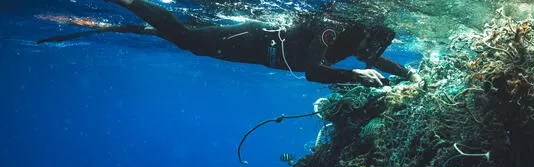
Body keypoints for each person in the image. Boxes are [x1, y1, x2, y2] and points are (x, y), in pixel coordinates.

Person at [101, 0, 415, 86]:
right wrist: (354, 76)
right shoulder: (333, 28)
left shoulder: (362, 36)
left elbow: (374, 59)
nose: (377, 43)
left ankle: (152, 29)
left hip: (262, 56)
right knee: (187, 39)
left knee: (193, 39)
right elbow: (312, 72)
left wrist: (409, 75)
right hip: (252, 41)